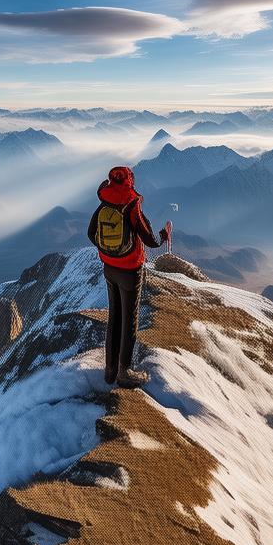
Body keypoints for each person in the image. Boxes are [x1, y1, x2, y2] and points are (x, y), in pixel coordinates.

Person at [87, 165, 169, 387]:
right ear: (129, 181)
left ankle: (109, 370)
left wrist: (108, 252)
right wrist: (163, 235)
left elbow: (90, 233)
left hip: (109, 269)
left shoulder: (104, 203)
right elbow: (149, 238)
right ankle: (125, 372)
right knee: (129, 321)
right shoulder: (131, 205)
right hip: (130, 272)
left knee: (114, 317)